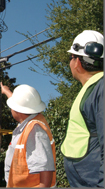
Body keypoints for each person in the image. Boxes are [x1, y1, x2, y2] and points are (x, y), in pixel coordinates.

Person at [61, 30, 104, 187]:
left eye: (71, 57)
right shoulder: (92, 88)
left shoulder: (101, 88)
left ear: (77, 62)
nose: (70, 63)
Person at [1, 82, 56, 188]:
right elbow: (22, 103)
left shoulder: (34, 130)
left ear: (17, 111)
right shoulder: (29, 123)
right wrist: (6, 91)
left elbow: (45, 169)